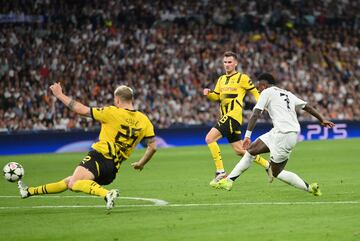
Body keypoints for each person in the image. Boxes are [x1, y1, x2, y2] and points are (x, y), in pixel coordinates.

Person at [18, 83, 157, 210]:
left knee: (74, 183)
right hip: (113, 168)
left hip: (100, 157)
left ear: (118, 99)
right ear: (131, 99)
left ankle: (108, 194)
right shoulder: (144, 120)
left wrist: (59, 95)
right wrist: (140, 163)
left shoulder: (112, 112)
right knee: (70, 181)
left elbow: (80, 109)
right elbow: (153, 147)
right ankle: (28, 192)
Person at [214, 73, 335, 195]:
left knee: (276, 172)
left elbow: (256, 113)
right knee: (251, 150)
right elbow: (307, 107)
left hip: (285, 134)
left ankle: (310, 188)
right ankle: (228, 181)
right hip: (280, 132)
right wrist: (322, 119)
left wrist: (247, 136)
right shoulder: (287, 93)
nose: (258, 90)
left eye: (258, 87)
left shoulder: (267, 92)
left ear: (264, 85)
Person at [203, 51, 270, 187]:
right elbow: (217, 96)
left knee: (209, 139)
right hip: (225, 116)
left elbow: (255, 92)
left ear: (236, 63)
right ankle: (268, 165)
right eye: (225, 62)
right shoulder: (221, 79)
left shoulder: (242, 78)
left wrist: (261, 105)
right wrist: (209, 94)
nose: (227, 65)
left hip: (233, 116)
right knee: (240, 150)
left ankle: (220, 172)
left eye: (229, 62)